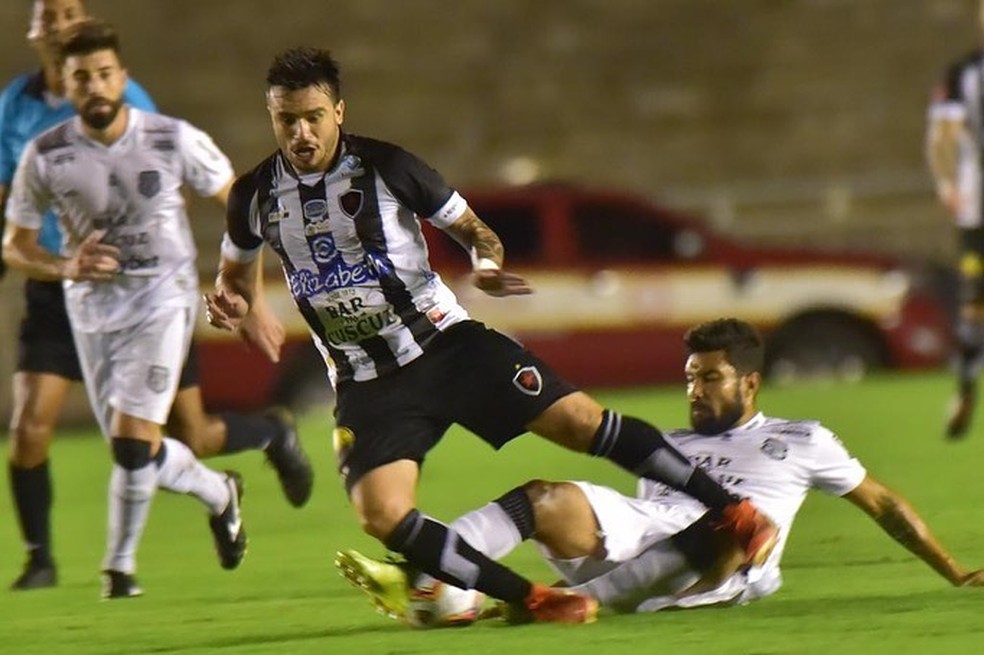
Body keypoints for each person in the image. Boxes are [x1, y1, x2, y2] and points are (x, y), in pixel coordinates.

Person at [205, 46, 778, 624]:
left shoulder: (389, 167)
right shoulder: (254, 196)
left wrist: (483, 264)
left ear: (338, 111)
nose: (301, 132)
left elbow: (474, 228)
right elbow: (235, 275)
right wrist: (234, 304)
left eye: (313, 117)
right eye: (287, 120)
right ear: (272, 117)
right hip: (365, 381)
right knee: (381, 515)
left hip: (446, 345)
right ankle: (533, 598)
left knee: (581, 424)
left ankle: (735, 513)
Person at [338, 318, 984, 624]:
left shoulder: (802, 439)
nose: (695, 390)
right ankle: (426, 576)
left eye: (710, 377)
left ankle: (559, 603)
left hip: (728, 556)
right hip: (646, 534)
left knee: (735, 522)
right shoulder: (668, 444)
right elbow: (638, 510)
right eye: (689, 378)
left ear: (751, 382)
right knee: (542, 495)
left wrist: (952, 569)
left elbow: (884, 504)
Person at [0, 0, 314, 592]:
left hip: (162, 301)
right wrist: (66, 263)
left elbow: (240, 205)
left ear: (123, 77)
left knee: (132, 441)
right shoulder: (41, 151)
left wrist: (253, 295)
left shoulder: (168, 137)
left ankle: (117, 571)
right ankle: (219, 490)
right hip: (82, 303)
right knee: (142, 445)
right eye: (81, 77)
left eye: (104, 73)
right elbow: (14, 243)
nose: (94, 85)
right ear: (65, 87)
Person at [927, 0, 984, 439]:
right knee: (975, 304)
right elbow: (944, 137)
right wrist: (948, 185)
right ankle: (966, 387)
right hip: (978, 210)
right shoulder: (963, 74)